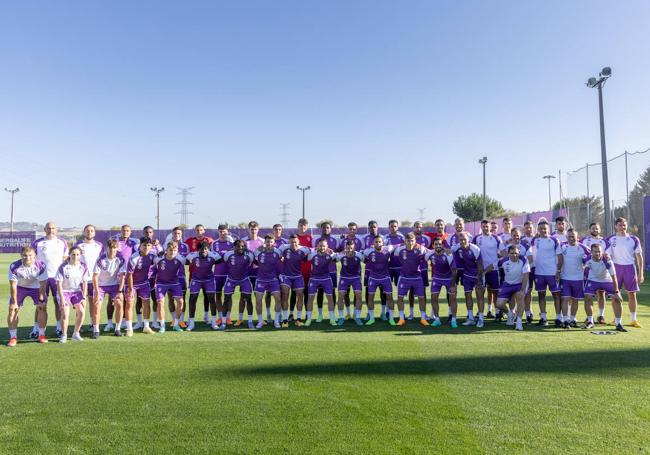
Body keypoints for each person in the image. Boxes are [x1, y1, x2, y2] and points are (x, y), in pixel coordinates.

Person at [31, 222, 68, 338]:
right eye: (48, 228)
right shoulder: (37, 243)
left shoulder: (62, 242)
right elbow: (32, 260)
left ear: (56, 230)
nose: (51, 230)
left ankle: (58, 327)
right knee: (40, 304)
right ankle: (36, 329)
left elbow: (66, 259)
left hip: (57, 278)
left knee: (58, 303)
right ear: (44, 229)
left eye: (53, 228)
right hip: (42, 278)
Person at [605, 217, 644, 327]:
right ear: (616, 226)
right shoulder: (610, 239)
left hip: (629, 269)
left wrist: (640, 273)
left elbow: (639, 257)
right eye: (620, 225)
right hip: (615, 268)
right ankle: (616, 318)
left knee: (632, 294)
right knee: (615, 294)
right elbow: (607, 255)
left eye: (624, 225)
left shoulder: (634, 239)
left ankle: (633, 319)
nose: (622, 227)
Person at [7, 246, 48, 346]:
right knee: (13, 310)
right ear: (21, 255)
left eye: (30, 255)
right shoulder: (14, 266)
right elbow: (13, 285)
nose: (27, 257)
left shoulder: (41, 265)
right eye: (25, 255)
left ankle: (41, 335)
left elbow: (43, 284)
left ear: (34, 256)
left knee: (42, 308)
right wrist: (15, 302)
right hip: (20, 288)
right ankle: (13, 337)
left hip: (37, 288)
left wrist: (41, 299)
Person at [584, 244, 627, 332]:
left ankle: (618, 323)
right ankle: (590, 321)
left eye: (599, 251)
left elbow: (614, 277)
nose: (597, 253)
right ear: (591, 252)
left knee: (617, 299)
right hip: (593, 280)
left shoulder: (607, 261)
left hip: (607, 280)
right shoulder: (587, 260)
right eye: (595, 251)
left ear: (602, 252)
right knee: (587, 297)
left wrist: (616, 292)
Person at [530, 220, 563, 327]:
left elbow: (560, 257)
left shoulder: (554, 240)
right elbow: (529, 253)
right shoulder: (535, 240)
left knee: (556, 295)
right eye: (541, 229)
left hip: (552, 273)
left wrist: (558, 271)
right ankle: (543, 318)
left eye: (545, 228)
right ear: (537, 230)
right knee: (541, 295)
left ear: (548, 229)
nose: (543, 230)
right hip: (539, 273)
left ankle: (559, 318)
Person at [392, 233, 429, 327]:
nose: (410, 242)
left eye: (412, 240)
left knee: (421, 297)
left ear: (415, 241)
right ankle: (401, 319)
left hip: (417, 277)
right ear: (405, 241)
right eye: (408, 240)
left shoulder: (421, 249)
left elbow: (432, 252)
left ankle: (423, 318)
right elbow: (388, 250)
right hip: (404, 277)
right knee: (400, 298)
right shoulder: (399, 250)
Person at [499, 227, 534, 323]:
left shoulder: (525, 246)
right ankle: (512, 313)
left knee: (524, 295)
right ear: (511, 236)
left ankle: (527, 314)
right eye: (514, 235)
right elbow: (504, 260)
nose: (516, 237)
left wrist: (522, 268)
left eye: (517, 235)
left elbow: (530, 259)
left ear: (520, 236)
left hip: (524, 275)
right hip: (510, 276)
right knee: (511, 297)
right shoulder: (507, 247)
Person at [93, 239, 127, 337]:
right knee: (97, 305)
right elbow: (95, 276)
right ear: (107, 248)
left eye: (114, 248)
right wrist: (96, 291)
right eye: (110, 248)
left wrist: (120, 291)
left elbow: (122, 276)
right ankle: (96, 330)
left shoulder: (120, 259)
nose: (112, 250)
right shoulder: (100, 259)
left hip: (114, 285)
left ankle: (117, 329)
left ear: (117, 248)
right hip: (101, 286)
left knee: (119, 304)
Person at [157, 227, 189, 329]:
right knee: (170, 299)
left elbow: (188, 260)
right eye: (175, 233)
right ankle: (172, 320)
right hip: (165, 279)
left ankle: (180, 321)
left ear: (181, 235)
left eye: (179, 233)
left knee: (181, 299)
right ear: (172, 234)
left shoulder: (185, 246)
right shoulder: (165, 247)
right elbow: (157, 261)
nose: (177, 235)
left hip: (180, 277)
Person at [185, 241, 221, 331]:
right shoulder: (192, 255)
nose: (204, 251)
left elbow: (220, 260)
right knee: (192, 298)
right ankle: (191, 323)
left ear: (208, 249)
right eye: (202, 249)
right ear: (198, 250)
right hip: (196, 280)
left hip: (209, 280)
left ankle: (213, 322)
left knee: (211, 299)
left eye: (206, 249)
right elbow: (185, 261)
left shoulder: (214, 255)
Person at [55, 247, 88, 343]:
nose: (75, 256)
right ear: (69, 255)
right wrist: (62, 299)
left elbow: (85, 282)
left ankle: (76, 334)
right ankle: (64, 334)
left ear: (80, 255)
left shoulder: (83, 266)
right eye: (73, 254)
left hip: (77, 292)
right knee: (65, 313)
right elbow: (59, 284)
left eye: (77, 254)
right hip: (64, 292)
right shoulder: (63, 267)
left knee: (81, 312)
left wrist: (84, 297)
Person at [303, 239, 339, 326]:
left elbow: (338, 258)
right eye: (320, 246)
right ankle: (309, 319)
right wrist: (310, 250)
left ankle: (332, 319)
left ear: (327, 247)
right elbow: (305, 257)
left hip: (326, 278)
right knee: (310, 298)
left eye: (324, 246)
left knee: (330, 298)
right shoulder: (312, 255)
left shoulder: (330, 255)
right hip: (314, 279)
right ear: (317, 246)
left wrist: (333, 254)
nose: (322, 247)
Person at [559, 229, 590, 328]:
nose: (571, 238)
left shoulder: (583, 248)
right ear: (566, 237)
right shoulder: (562, 246)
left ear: (577, 237)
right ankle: (565, 320)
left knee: (575, 300)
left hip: (578, 278)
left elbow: (592, 256)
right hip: (565, 277)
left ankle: (572, 319)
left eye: (573, 236)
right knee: (565, 299)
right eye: (569, 236)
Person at [472, 220, 503, 320]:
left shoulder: (496, 238)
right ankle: (480, 312)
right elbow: (471, 251)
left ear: (490, 227)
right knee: (480, 292)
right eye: (483, 226)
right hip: (481, 270)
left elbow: (503, 252)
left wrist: (496, 262)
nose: (485, 228)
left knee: (495, 292)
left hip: (493, 270)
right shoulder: (476, 238)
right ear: (481, 227)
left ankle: (498, 312)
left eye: (487, 226)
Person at [495, 245, 530, 331]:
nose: (514, 255)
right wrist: (483, 272)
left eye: (516, 253)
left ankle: (519, 322)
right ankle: (510, 314)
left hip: (519, 284)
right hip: (507, 284)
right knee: (499, 304)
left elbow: (526, 275)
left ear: (519, 253)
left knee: (520, 297)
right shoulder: (502, 261)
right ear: (508, 253)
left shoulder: (524, 260)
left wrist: (522, 290)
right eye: (512, 253)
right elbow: (492, 266)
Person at [76, 224, 104, 332]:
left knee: (93, 302)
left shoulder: (99, 245)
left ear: (95, 233)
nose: (89, 232)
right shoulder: (79, 245)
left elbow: (102, 260)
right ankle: (80, 323)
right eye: (87, 230)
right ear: (84, 232)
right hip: (81, 279)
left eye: (92, 230)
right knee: (81, 302)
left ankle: (93, 323)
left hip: (94, 278)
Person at [185, 224, 214, 325]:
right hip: (193, 272)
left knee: (207, 295)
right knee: (193, 296)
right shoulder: (189, 241)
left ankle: (206, 316)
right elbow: (185, 252)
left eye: (201, 230)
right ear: (195, 231)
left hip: (206, 273)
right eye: (197, 230)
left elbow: (213, 254)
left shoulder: (209, 240)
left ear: (204, 230)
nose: (199, 232)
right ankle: (190, 318)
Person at [126, 238, 157, 334]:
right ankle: (129, 329)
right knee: (129, 304)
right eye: (144, 245)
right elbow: (129, 275)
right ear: (140, 246)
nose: (146, 247)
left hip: (144, 283)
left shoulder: (152, 256)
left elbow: (159, 261)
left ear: (151, 246)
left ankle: (146, 326)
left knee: (146, 303)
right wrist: (130, 289)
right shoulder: (134, 258)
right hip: (132, 284)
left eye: (148, 245)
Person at [453, 232, 485, 327]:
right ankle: (471, 318)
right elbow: (448, 251)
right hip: (466, 275)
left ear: (468, 240)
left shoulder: (475, 249)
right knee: (468, 295)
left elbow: (480, 266)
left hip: (477, 275)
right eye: (461, 240)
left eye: (464, 240)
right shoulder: (457, 247)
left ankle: (481, 319)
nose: (462, 241)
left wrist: (479, 281)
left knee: (479, 296)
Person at [133, 225, 162, 330]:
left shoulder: (157, 246)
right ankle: (139, 322)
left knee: (155, 299)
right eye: (146, 232)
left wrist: (158, 246)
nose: (148, 234)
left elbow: (161, 258)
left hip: (153, 277)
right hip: (140, 278)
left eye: (150, 232)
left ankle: (154, 322)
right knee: (139, 300)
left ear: (152, 233)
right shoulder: (139, 245)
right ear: (143, 233)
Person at [223, 240, 256, 329]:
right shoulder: (228, 255)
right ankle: (223, 321)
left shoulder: (249, 255)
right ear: (234, 247)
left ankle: (250, 321)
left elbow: (253, 263)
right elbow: (225, 263)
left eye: (242, 246)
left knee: (248, 299)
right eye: (238, 246)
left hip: (244, 279)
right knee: (226, 299)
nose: (240, 248)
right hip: (231, 279)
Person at [425, 237, 457, 328]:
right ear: (433, 246)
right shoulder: (430, 254)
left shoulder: (448, 255)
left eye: (440, 244)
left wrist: (452, 285)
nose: (438, 246)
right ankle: (437, 319)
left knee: (453, 298)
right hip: (436, 278)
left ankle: (454, 320)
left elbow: (454, 270)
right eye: (436, 244)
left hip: (449, 278)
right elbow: (422, 258)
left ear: (442, 245)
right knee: (434, 297)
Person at [252, 235, 283, 328]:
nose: (269, 243)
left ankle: (276, 321)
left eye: (271, 242)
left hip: (273, 279)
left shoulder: (278, 252)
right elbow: (254, 261)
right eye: (267, 242)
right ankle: (260, 321)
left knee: (278, 298)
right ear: (264, 242)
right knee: (258, 300)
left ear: (274, 243)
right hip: (261, 279)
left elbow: (282, 260)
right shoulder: (258, 251)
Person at [279, 235, 311, 326]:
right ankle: (285, 319)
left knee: (300, 295)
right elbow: (277, 253)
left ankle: (298, 319)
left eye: (295, 242)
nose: (293, 244)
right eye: (291, 242)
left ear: (298, 242)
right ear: (289, 242)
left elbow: (313, 252)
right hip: (286, 276)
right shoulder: (283, 248)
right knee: (285, 295)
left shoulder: (304, 249)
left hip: (298, 276)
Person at [580, 222, 608, 324]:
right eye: (593, 228)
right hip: (588, 271)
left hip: (600, 271)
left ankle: (601, 315)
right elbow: (581, 253)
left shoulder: (604, 241)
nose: (595, 230)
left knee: (601, 293)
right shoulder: (584, 240)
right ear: (589, 230)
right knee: (588, 295)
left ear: (599, 230)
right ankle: (589, 316)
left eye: (597, 228)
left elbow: (607, 255)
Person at [363, 235, 394, 326]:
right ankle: (372, 318)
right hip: (373, 278)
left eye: (379, 242)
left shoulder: (388, 249)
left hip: (385, 277)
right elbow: (359, 254)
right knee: (370, 297)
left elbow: (398, 245)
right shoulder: (368, 251)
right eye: (376, 242)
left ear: (383, 243)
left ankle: (391, 318)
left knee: (389, 297)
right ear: (373, 243)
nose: (378, 243)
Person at [312, 222, 339, 322]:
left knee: (332, 292)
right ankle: (320, 315)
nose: (326, 229)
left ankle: (333, 315)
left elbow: (339, 252)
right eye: (324, 227)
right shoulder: (316, 240)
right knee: (320, 292)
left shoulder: (336, 240)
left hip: (332, 270)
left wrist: (333, 253)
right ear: (321, 228)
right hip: (319, 272)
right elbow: (313, 252)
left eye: (328, 227)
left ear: (331, 229)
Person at [334, 240, 365, 326]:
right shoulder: (341, 255)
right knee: (340, 296)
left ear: (354, 247)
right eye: (348, 248)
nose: (350, 250)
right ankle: (341, 317)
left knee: (359, 296)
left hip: (356, 278)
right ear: (345, 247)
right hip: (344, 278)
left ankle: (357, 317)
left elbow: (366, 260)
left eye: (351, 248)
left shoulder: (359, 255)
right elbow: (333, 259)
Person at [338, 222, 364, 319]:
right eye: (350, 229)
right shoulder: (342, 241)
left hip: (356, 274)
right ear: (347, 229)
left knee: (357, 294)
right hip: (344, 275)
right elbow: (337, 252)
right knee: (345, 294)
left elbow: (364, 254)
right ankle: (347, 313)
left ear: (356, 229)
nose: (352, 230)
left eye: (353, 229)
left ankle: (355, 315)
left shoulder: (360, 240)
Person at [241, 221, 265, 322]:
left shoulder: (262, 241)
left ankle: (260, 319)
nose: (253, 231)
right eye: (252, 229)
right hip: (245, 272)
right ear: (248, 229)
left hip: (258, 272)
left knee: (258, 296)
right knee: (244, 296)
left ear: (258, 230)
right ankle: (240, 318)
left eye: (255, 229)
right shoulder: (243, 241)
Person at [362, 220, 386, 320]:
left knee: (383, 291)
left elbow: (387, 251)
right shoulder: (364, 238)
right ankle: (369, 312)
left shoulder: (384, 238)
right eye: (371, 227)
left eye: (374, 227)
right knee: (369, 291)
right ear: (368, 228)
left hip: (383, 270)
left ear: (377, 227)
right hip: (369, 270)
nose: (373, 228)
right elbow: (362, 253)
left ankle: (383, 312)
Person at [212, 225, 234, 328]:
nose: (222, 233)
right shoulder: (214, 243)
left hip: (228, 273)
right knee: (218, 295)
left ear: (227, 232)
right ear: (218, 232)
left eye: (224, 231)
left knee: (228, 296)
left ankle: (228, 317)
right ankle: (220, 317)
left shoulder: (231, 244)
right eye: (220, 231)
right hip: (217, 273)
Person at [290, 218, 313, 320]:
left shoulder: (310, 238)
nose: (302, 227)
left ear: (307, 227)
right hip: (295, 270)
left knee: (306, 293)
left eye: (304, 225)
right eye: (300, 225)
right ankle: (291, 314)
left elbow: (313, 252)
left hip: (307, 270)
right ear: (298, 226)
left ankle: (307, 314)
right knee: (294, 293)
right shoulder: (294, 238)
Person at [409, 221, 432, 320]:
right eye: (417, 227)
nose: (418, 229)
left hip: (423, 268)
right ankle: (411, 313)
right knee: (411, 291)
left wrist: (422, 248)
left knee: (423, 291)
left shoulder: (427, 239)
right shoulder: (410, 238)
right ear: (413, 228)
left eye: (420, 227)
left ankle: (424, 313)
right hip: (411, 269)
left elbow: (430, 251)